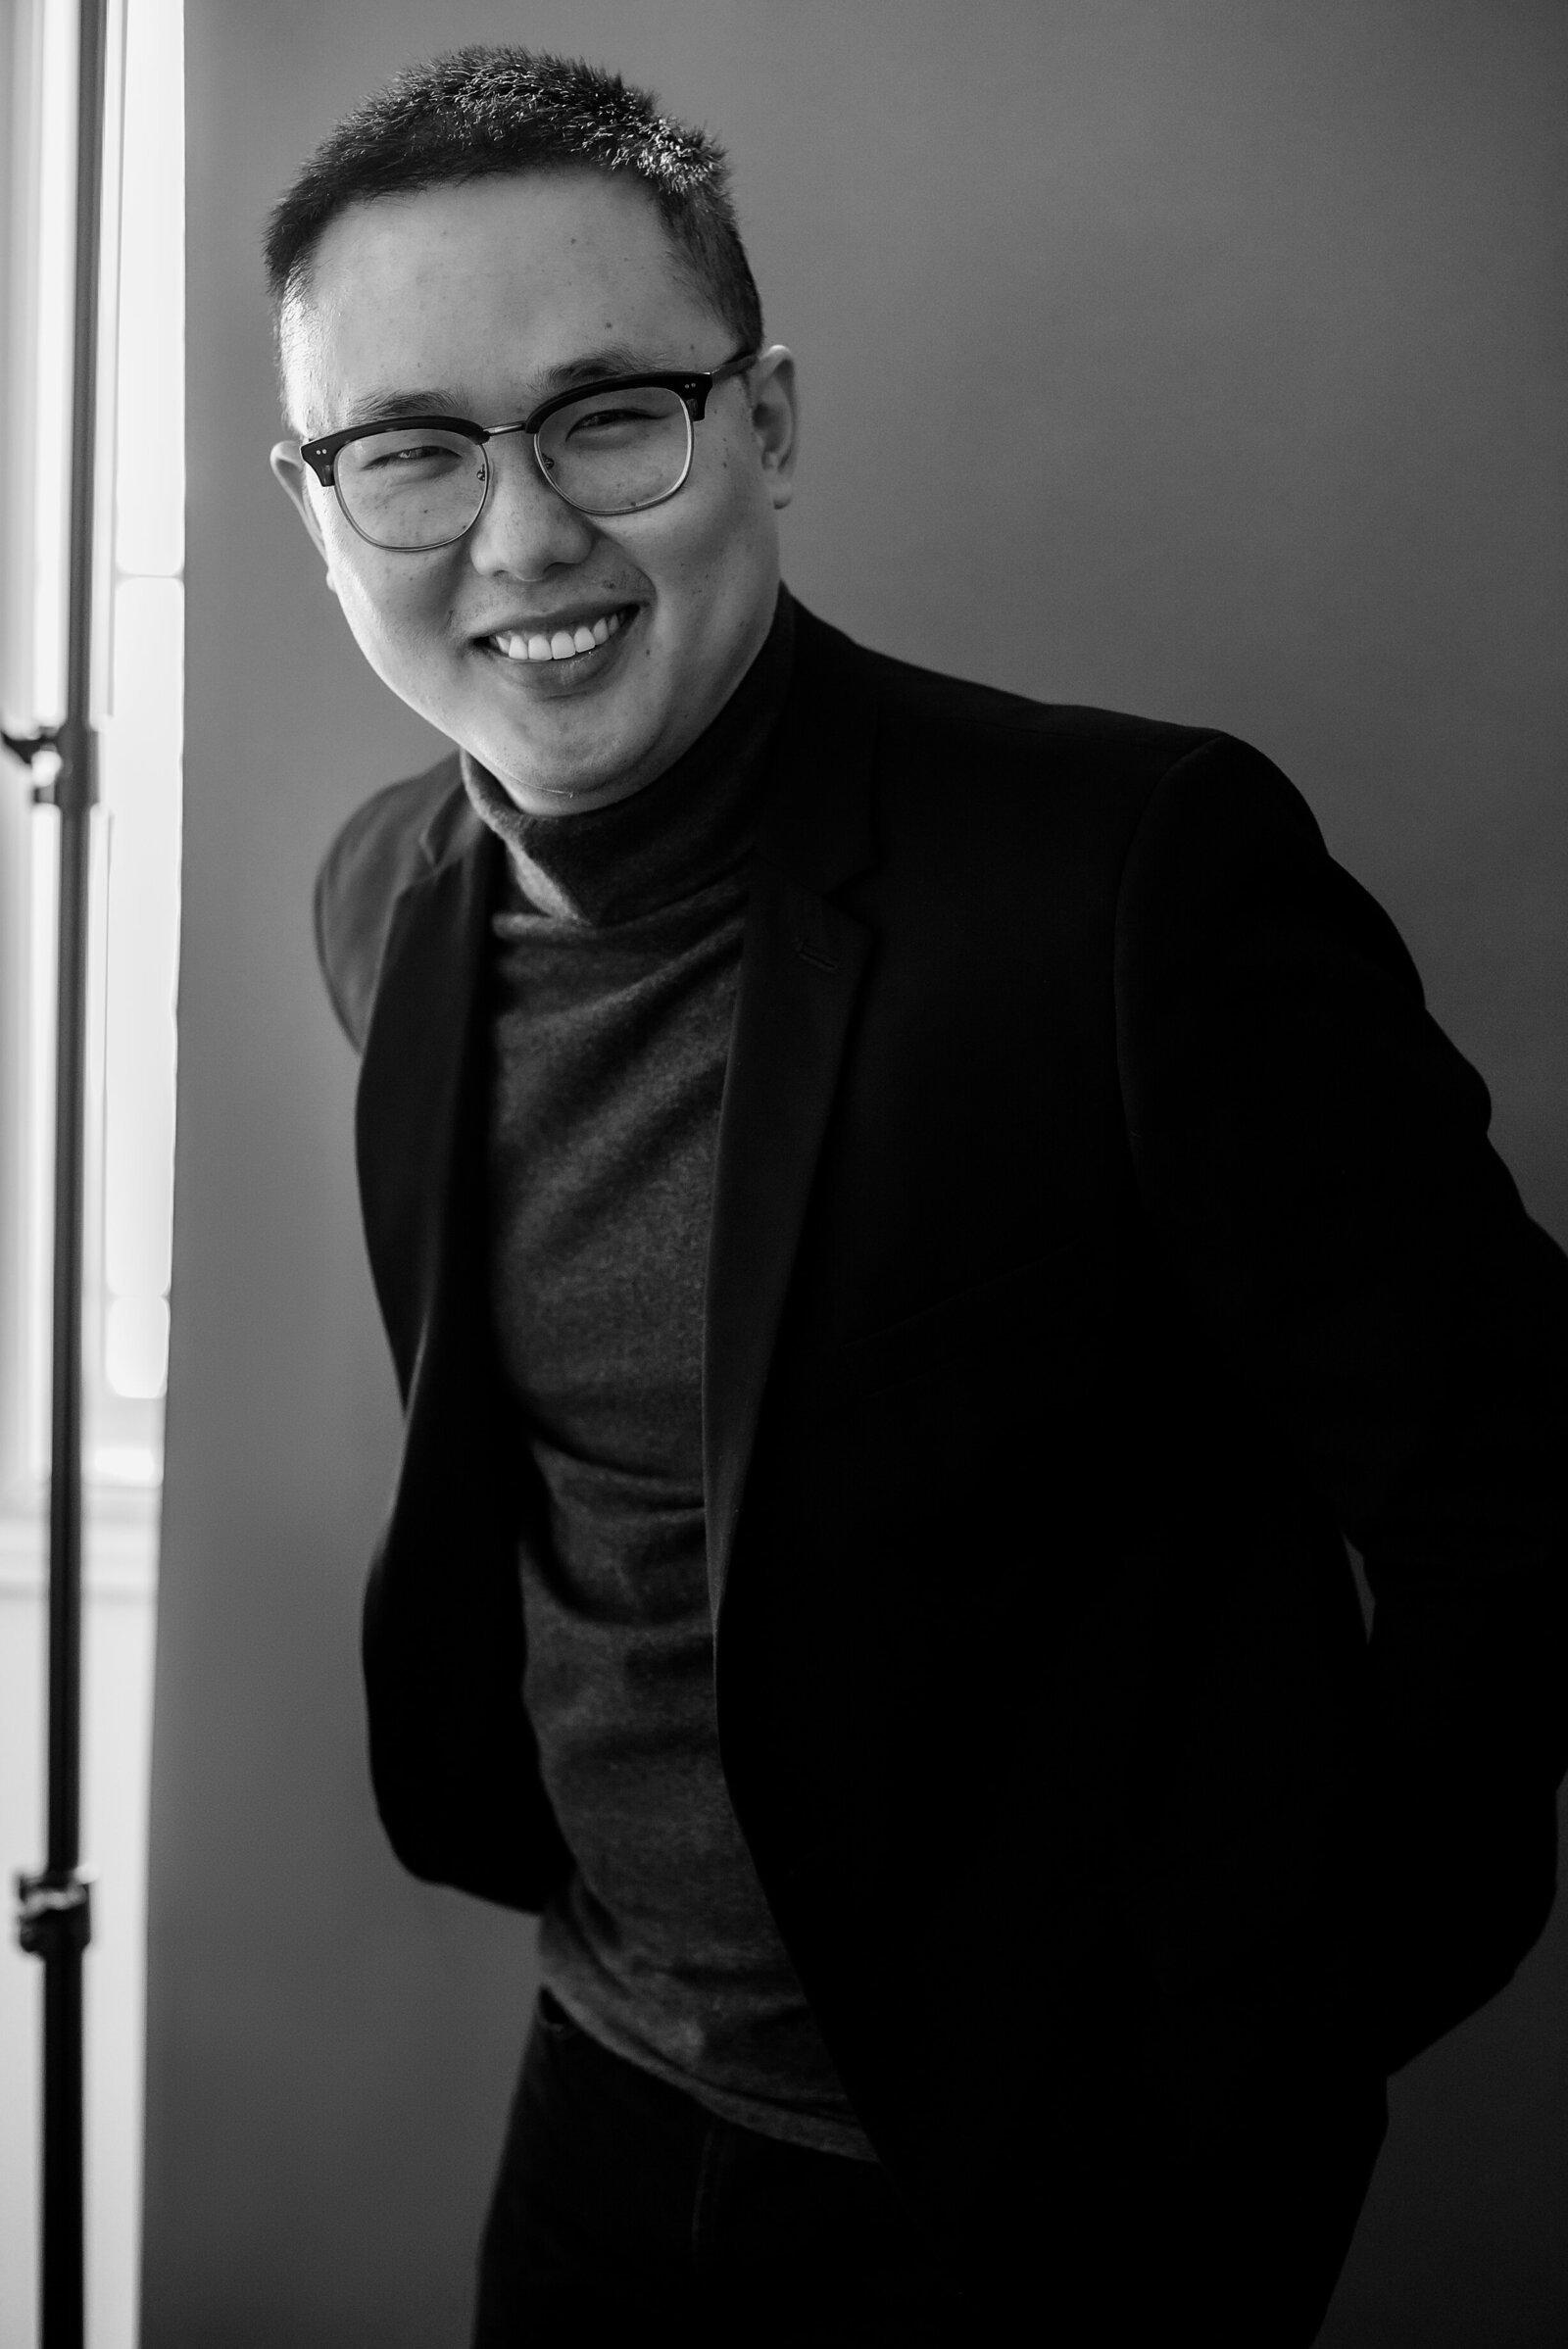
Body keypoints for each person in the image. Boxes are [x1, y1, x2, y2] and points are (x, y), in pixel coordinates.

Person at [265, 44, 1568, 2348]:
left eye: (609, 415)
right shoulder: (385, 900)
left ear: (763, 421)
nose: (521, 534)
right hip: (597, 2099)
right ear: (318, 503)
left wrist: (1296, 2014)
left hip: (1056, 2185)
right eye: (413, 449)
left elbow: (1520, 1484)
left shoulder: (1125, 885)